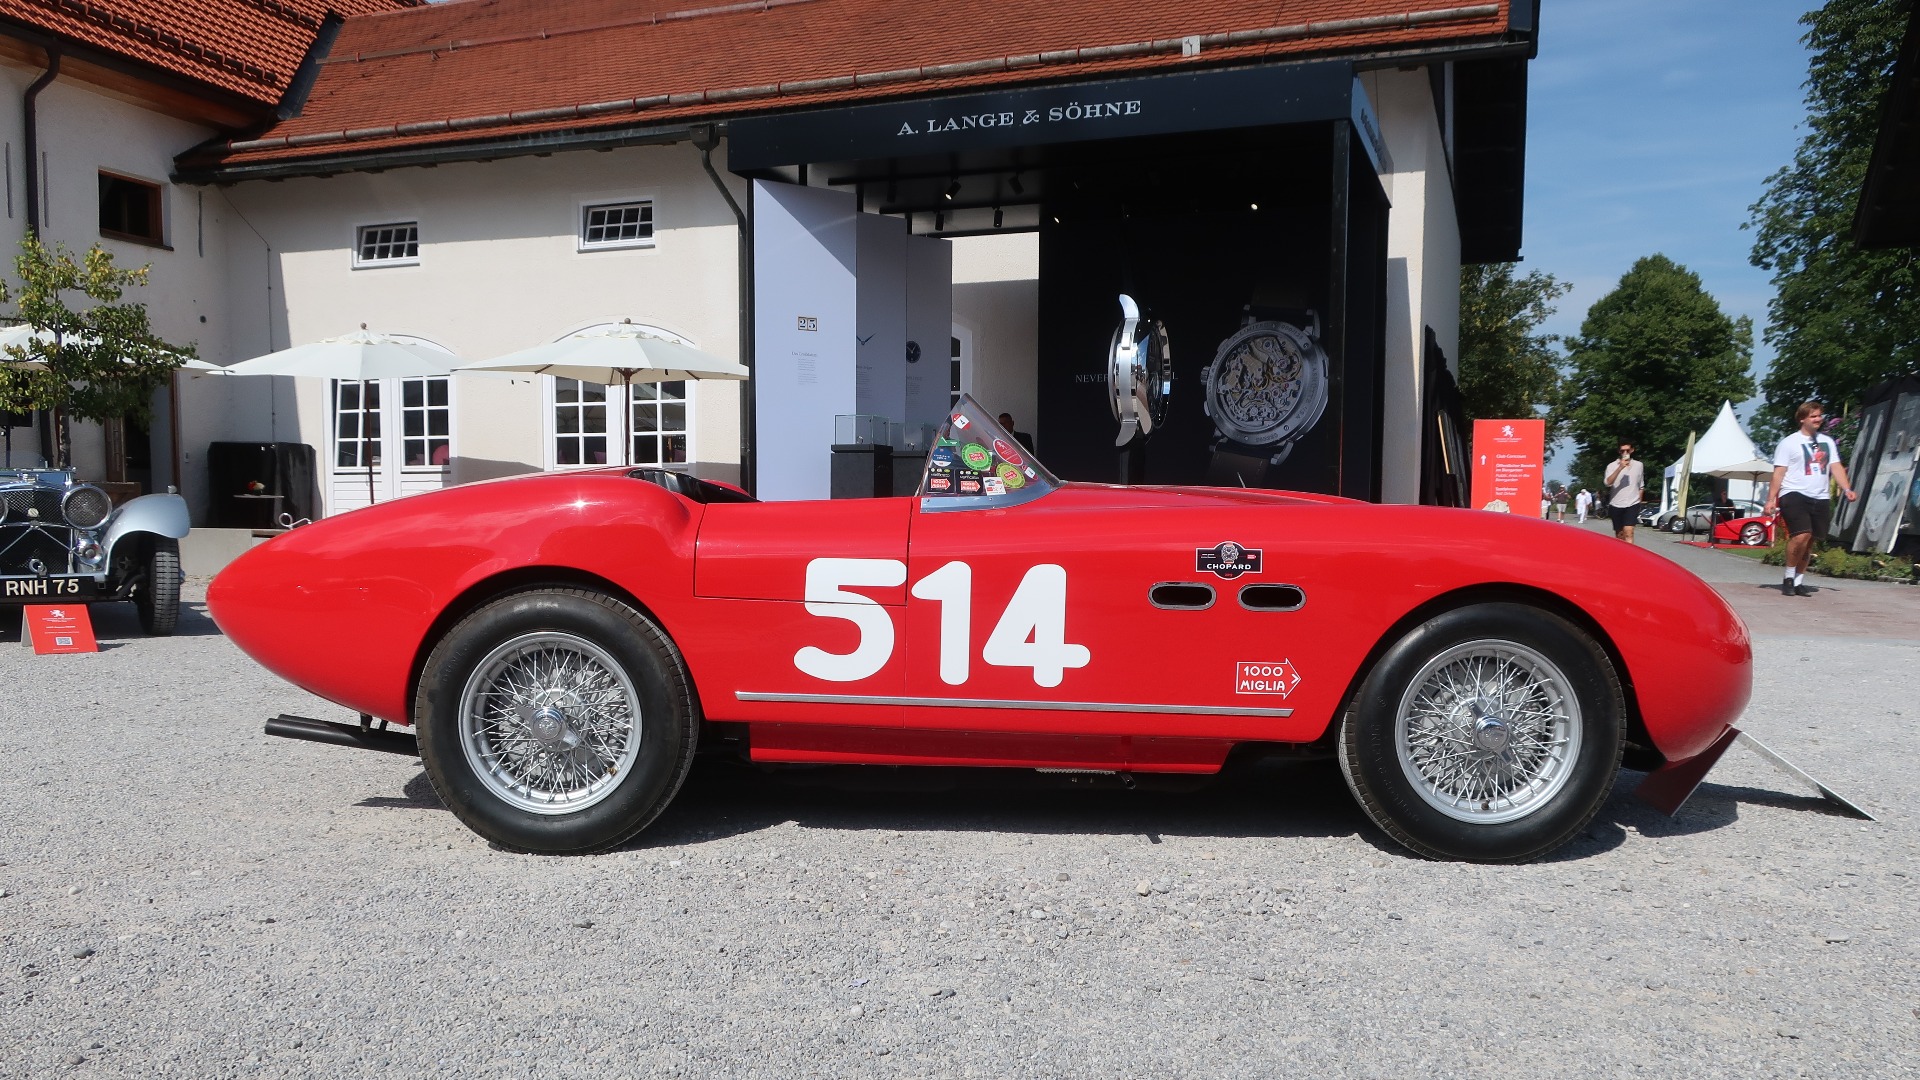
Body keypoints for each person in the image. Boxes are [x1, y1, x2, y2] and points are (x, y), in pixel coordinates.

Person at [1764, 401, 1857, 597]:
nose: (1818, 419)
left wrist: (1846, 488)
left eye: (1820, 415)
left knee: (1810, 540)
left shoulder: (1827, 442)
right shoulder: (1788, 443)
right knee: (1801, 535)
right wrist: (1771, 499)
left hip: (1820, 496)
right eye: (1813, 416)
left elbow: (1836, 467)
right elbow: (1779, 473)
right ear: (1802, 419)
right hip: (1794, 493)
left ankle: (1798, 581)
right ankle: (1788, 577)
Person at [1603, 442, 1644, 543]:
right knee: (1620, 534)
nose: (1625, 453)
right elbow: (1608, 483)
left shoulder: (1639, 465)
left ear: (1632, 450)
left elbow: (1641, 485)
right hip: (1616, 504)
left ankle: (1631, 557)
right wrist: (1620, 468)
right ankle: (1621, 555)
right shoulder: (1611, 466)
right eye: (1622, 451)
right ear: (1619, 451)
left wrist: (1639, 501)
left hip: (1632, 503)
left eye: (1628, 450)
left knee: (1629, 531)